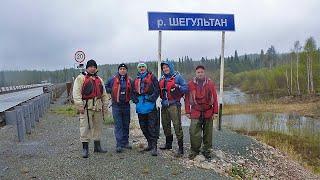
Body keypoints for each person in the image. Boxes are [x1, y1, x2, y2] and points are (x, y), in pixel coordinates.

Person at [73, 59, 109, 158]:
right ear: (87, 68)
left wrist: (105, 105)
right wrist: (79, 106)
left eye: (94, 67)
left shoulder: (99, 79)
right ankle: (85, 149)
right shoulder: (80, 78)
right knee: (85, 127)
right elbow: (76, 93)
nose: (92, 68)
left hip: (97, 106)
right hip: (86, 107)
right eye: (90, 67)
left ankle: (97, 147)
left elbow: (104, 94)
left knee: (98, 126)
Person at [184, 65, 218, 160]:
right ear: (196, 73)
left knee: (208, 133)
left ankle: (206, 150)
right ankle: (194, 150)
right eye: (198, 72)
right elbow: (186, 99)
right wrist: (187, 111)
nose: (200, 74)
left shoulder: (210, 83)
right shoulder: (190, 84)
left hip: (208, 111)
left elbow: (215, 98)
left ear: (204, 73)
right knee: (194, 132)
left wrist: (215, 112)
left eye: (201, 72)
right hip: (195, 111)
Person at [158, 61, 188, 157]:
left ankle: (181, 148)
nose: (165, 69)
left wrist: (177, 86)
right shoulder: (161, 79)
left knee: (177, 125)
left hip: (174, 104)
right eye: (164, 68)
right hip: (164, 105)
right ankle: (168, 144)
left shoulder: (178, 77)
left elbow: (186, 88)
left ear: (170, 67)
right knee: (165, 125)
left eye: (167, 67)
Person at [132, 62, 160, 156]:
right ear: (138, 69)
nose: (141, 68)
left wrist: (151, 99)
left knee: (152, 126)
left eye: (143, 67)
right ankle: (150, 144)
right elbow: (132, 91)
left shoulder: (152, 77)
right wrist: (134, 99)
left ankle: (154, 147)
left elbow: (157, 90)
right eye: (140, 67)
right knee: (143, 126)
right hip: (140, 105)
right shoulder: (136, 79)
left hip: (150, 104)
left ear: (146, 68)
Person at [105, 63, 133, 153]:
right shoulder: (112, 79)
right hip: (116, 106)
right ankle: (119, 144)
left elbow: (134, 90)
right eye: (121, 69)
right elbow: (105, 86)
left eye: (124, 69)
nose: (122, 70)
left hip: (126, 105)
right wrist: (111, 91)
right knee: (118, 125)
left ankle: (125, 142)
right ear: (118, 70)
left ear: (126, 70)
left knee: (126, 124)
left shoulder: (130, 80)